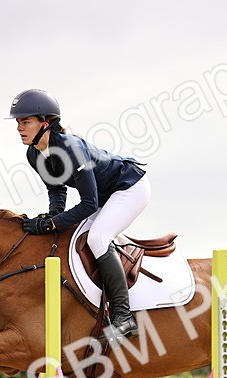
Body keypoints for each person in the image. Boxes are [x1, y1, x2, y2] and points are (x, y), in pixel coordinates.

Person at [8, 88, 149, 342]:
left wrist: (51, 224)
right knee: (74, 238)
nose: (19, 128)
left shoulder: (70, 148)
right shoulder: (34, 153)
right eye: (18, 122)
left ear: (45, 123)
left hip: (130, 187)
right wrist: (52, 215)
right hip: (107, 196)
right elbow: (56, 188)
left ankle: (123, 317)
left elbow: (88, 204)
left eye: (25, 122)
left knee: (97, 238)